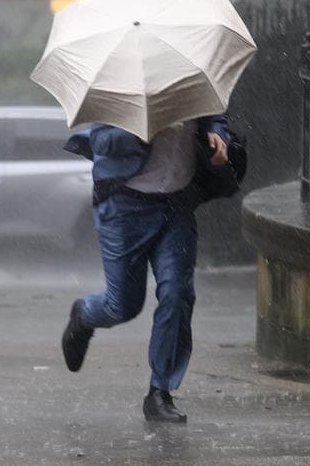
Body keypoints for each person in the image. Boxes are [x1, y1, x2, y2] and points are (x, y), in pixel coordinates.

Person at [60, 115, 231, 424]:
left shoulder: (184, 75)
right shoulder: (123, 84)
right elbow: (102, 141)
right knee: (123, 305)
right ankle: (84, 314)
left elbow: (214, 112)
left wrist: (217, 133)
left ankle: (160, 391)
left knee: (177, 293)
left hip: (177, 205)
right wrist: (145, 131)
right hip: (125, 206)